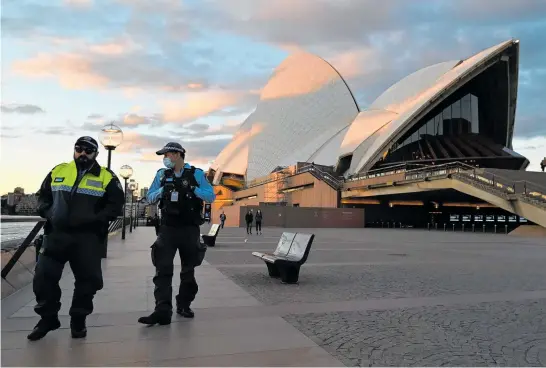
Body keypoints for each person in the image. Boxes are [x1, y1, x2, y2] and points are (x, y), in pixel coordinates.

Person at [27, 136, 124, 341]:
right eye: (79, 149)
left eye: (88, 150)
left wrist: (96, 220)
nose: (82, 153)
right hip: (56, 235)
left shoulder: (107, 177)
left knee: (88, 282)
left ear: (96, 154)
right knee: (43, 277)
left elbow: (115, 205)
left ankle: (78, 319)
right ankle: (48, 318)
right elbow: (42, 196)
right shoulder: (59, 170)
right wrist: (48, 212)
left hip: (87, 238)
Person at [138, 142, 215, 326]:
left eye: (167, 155)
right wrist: (163, 190)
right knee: (162, 269)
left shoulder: (196, 173)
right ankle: (162, 311)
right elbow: (149, 197)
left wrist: (192, 189)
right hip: (167, 229)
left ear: (178, 154)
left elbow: (210, 196)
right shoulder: (162, 174)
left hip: (189, 229)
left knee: (188, 270)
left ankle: (184, 305)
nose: (165, 159)